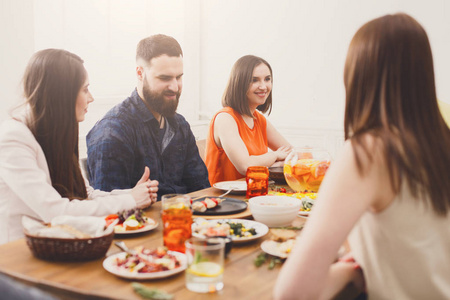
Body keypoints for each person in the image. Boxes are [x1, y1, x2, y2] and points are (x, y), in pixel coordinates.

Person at [274, 13, 450, 300]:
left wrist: (354, 269)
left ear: (357, 76)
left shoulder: (369, 151)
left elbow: (292, 292)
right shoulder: (442, 143)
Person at [0, 49, 158, 245]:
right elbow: (55, 212)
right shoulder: (13, 138)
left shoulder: (56, 131)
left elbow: (85, 196)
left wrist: (133, 193)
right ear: (61, 95)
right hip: (17, 258)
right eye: (85, 89)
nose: (91, 97)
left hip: (59, 245)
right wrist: (131, 201)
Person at [86, 34, 210, 199]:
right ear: (140, 73)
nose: (174, 87)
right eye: (164, 78)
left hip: (188, 220)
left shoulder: (180, 125)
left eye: (179, 77)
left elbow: (202, 191)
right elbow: (111, 211)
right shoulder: (112, 131)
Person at [205, 55, 292, 185]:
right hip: (223, 199)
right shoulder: (225, 118)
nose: (263, 86)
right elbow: (245, 166)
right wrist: (274, 156)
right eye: (254, 80)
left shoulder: (259, 119)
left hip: (254, 193)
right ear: (239, 83)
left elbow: (291, 154)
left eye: (267, 79)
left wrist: (274, 161)